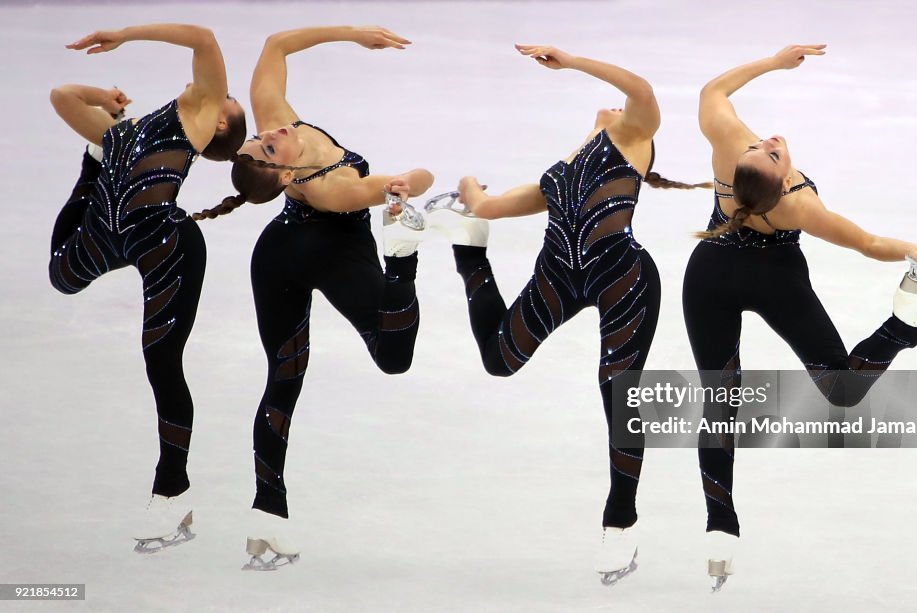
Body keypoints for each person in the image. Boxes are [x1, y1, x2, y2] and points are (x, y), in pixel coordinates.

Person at [686, 43, 917, 591]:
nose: (767, 142)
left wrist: (772, 63)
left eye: (764, 147)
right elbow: (866, 243)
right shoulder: (798, 206)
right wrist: (912, 249)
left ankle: (721, 527)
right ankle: (906, 319)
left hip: (710, 274)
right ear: (778, 182)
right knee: (839, 389)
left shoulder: (731, 153)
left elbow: (711, 94)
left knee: (722, 400)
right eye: (768, 153)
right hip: (766, 279)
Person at [432, 43, 707, 584]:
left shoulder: (632, 138)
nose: (612, 106)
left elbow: (642, 91)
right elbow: (488, 206)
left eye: (618, 107)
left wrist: (573, 62)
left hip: (622, 277)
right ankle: (470, 254)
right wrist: (469, 191)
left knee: (616, 390)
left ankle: (619, 524)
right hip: (558, 275)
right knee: (498, 360)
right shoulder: (558, 177)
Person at [191, 25, 433, 570]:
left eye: (259, 137)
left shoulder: (276, 119)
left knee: (286, 378)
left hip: (276, 250)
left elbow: (274, 43)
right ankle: (404, 260)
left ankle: (266, 515)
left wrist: (353, 34)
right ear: (284, 174)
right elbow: (413, 177)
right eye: (269, 145)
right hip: (324, 254)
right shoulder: (330, 188)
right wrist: (406, 183)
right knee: (392, 357)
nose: (269, 130)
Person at [49, 23, 246, 551]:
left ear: (220, 118)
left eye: (222, 93)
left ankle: (171, 494)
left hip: (166, 243)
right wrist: (107, 102)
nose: (211, 85)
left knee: (161, 363)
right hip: (109, 236)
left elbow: (204, 38)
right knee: (60, 276)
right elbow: (63, 96)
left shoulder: (198, 117)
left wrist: (124, 34)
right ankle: (92, 169)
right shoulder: (126, 129)